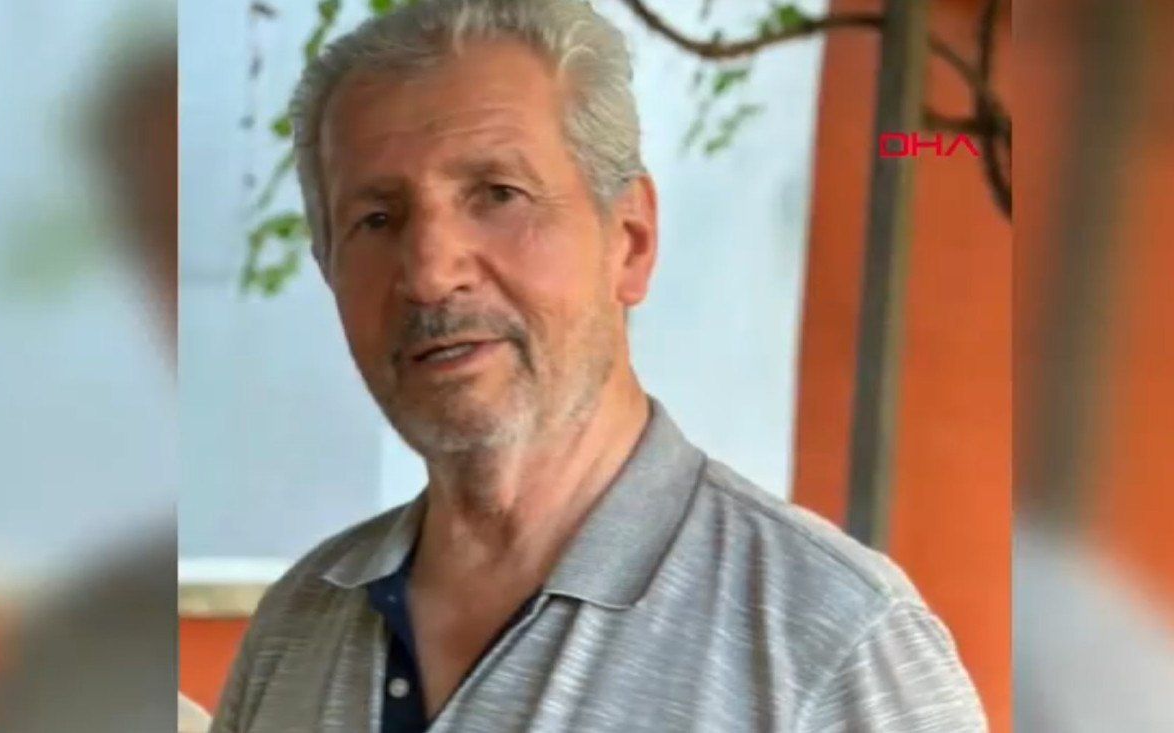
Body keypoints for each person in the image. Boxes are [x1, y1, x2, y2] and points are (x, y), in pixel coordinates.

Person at [210, 1, 986, 731]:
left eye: (498, 193)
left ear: (630, 241)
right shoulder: (297, 624)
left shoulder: (834, 642)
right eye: (376, 218)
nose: (430, 272)